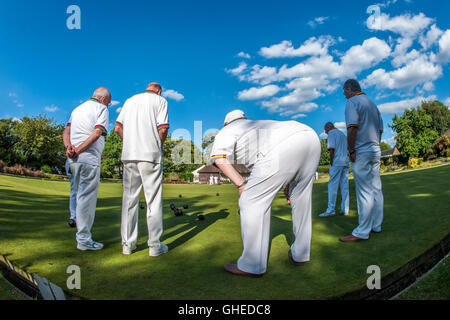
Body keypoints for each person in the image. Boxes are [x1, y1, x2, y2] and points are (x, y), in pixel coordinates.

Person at [210, 110, 321, 277]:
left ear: (226, 123)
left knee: (250, 201)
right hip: (310, 137)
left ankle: (251, 264)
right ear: (244, 118)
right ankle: (301, 254)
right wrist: (288, 182)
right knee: (301, 199)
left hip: (283, 147)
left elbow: (219, 158)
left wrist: (241, 185)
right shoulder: (258, 124)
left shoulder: (227, 130)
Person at [114, 82, 169, 256]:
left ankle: (127, 245)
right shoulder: (160, 101)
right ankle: (154, 246)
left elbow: (117, 128)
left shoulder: (129, 100)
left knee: (129, 201)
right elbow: (163, 128)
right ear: (159, 91)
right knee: (153, 200)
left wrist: (130, 142)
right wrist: (158, 144)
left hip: (129, 154)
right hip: (150, 154)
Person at [62, 87, 111, 251]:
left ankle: (75, 221)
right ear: (104, 100)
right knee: (86, 198)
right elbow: (97, 133)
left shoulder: (77, 109)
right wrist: (79, 150)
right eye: (109, 103)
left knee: (75, 192)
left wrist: (69, 148)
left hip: (71, 159)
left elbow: (66, 130)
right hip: (88, 159)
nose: (108, 105)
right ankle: (83, 240)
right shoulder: (101, 108)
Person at [340, 79, 384, 242]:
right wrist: (376, 146)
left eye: (344, 91)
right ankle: (376, 225)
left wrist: (351, 149)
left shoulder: (352, 102)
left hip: (362, 151)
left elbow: (352, 127)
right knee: (376, 189)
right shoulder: (372, 104)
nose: (344, 94)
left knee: (364, 191)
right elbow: (380, 130)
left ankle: (362, 232)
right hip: (375, 149)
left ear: (350, 89)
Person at [319, 122, 350, 217]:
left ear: (329, 127)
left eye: (325, 130)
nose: (325, 132)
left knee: (332, 186)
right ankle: (345, 209)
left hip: (336, 162)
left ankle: (331, 210)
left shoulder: (332, 134)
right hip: (345, 162)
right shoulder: (342, 134)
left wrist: (331, 162)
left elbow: (331, 149)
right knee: (344, 186)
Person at [65, 158, 77, 228]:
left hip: (72, 161)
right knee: (75, 190)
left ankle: (74, 217)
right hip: (72, 161)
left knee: (75, 191)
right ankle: (74, 218)